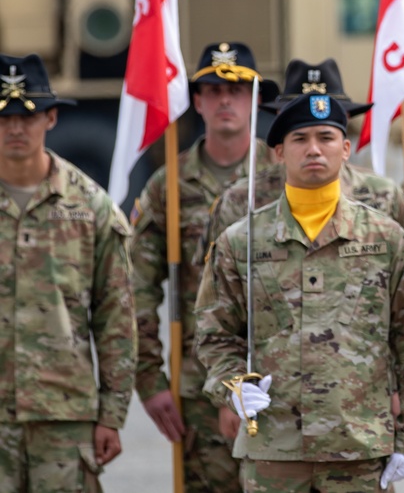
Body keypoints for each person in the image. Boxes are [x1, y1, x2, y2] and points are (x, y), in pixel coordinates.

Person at [195, 93, 404, 492]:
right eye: (300, 139)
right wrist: (232, 386)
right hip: (273, 448)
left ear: (345, 149)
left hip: (358, 449)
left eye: (325, 137)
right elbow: (213, 335)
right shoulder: (242, 242)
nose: (314, 149)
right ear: (278, 153)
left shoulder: (386, 238)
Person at [130, 42, 278, 491]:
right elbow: (135, 288)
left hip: (283, 376)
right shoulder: (169, 186)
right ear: (196, 101)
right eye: (213, 90)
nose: (225, 100)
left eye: (237, 89)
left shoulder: (283, 175)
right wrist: (150, 379)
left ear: (255, 99)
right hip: (200, 383)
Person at [0, 53, 136, 490]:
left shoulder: (90, 206)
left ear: (52, 118)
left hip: (65, 419)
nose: (16, 128)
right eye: (4, 116)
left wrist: (111, 414)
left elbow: (115, 315)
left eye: (29, 114)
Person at [203, 58, 404, 256]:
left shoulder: (385, 196)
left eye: (325, 130)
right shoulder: (242, 199)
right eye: (297, 118)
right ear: (280, 121)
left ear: (344, 119)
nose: (313, 146)